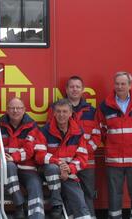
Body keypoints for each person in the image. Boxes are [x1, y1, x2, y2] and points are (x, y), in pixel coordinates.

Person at [97, 71, 132, 219]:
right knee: (114, 193)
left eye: (123, 83)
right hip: (114, 159)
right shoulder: (105, 106)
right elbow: (102, 130)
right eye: (117, 84)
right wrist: (111, 145)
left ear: (130, 85)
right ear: (113, 85)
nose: (120, 86)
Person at [50, 76, 101, 218]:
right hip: (65, 163)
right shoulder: (57, 109)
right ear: (66, 89)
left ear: (82, 90)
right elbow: (52, 133)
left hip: (87, 162)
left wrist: (82, 152)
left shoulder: (91, 111)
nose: (74, 89)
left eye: (78, 87)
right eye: (71, 86)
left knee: (88, 193)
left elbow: (97, 135)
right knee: (67, 193)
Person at [36, 99, 91, 219]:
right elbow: (39, 155)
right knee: (51, 168)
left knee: (78, 198)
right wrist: (60, 164)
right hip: (47, 172)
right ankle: (56, 204)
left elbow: (82, 157)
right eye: (58, 111)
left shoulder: (78, 132)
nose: (61, 115)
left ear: (71, 113)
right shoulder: (44, 131)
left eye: (65, 111)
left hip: (68, 173)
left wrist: (70, 168)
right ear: (54, 113)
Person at [0, 97, 45, 219]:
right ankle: (19, 205)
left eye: (18, 108)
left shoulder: (32, 126)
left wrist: (13, 157)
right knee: (8, 166)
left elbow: (29, 150)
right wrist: (7, 159)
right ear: (7, 110)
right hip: (7, 169)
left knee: (35, 184)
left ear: (24, 110)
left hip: (27, 168)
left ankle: (37, 216)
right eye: (12, 108)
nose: (15, 111)